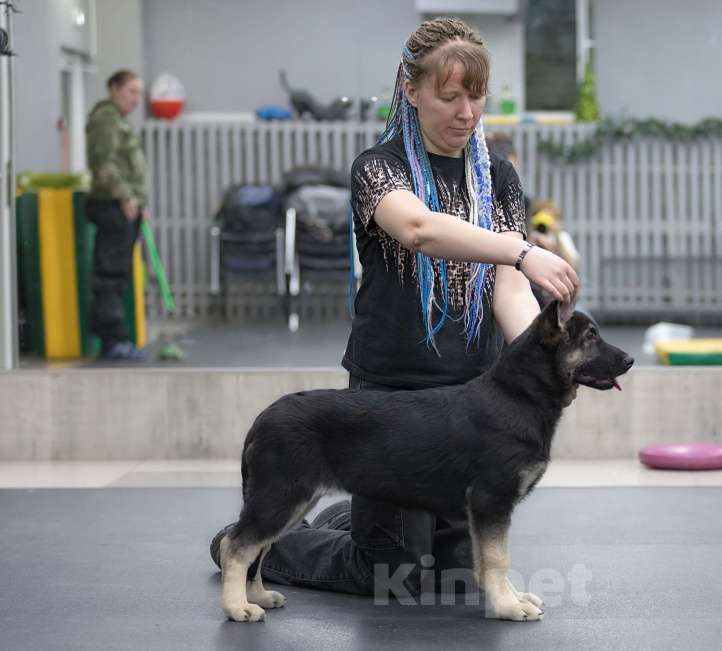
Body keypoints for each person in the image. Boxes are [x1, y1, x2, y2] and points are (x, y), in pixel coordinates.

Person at [210, 17, 579, 599]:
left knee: (454, 579)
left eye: (476, 97)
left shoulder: (498, 177)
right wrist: (524, 250)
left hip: (467, 399)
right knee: (392, 576)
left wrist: (542, 357)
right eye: (449, 96)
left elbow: (508, 289)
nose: (466, 113)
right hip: (388, 396)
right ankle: (253, 539)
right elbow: (419, 230)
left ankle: (359, 513)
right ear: (412, 91)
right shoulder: (378, 167)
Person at [86, 69, 148, 361]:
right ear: (113, 89)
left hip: (125, 205)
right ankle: (111, 341)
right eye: (131, 91)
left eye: (139, 92)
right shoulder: (105, 120)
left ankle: (116, 338)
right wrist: (125, 195)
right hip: (112, 204)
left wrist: (139, 202)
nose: (137, 99)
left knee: (119, 274)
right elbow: (105, 164)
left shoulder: (119, 121)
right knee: (110, 274)